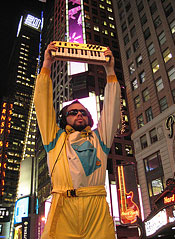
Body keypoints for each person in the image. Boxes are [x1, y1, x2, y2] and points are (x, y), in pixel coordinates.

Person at [34, 42, 121, 239]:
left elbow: (113, 108)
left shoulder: (100, 138)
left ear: (89, 118)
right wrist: (47, 64)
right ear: (64, 118)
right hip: (62, 209)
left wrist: (109, 70)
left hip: (96, 210)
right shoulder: (54, 138)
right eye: (73, 112)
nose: (78, 114)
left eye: (83, 112)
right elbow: (42, 104)